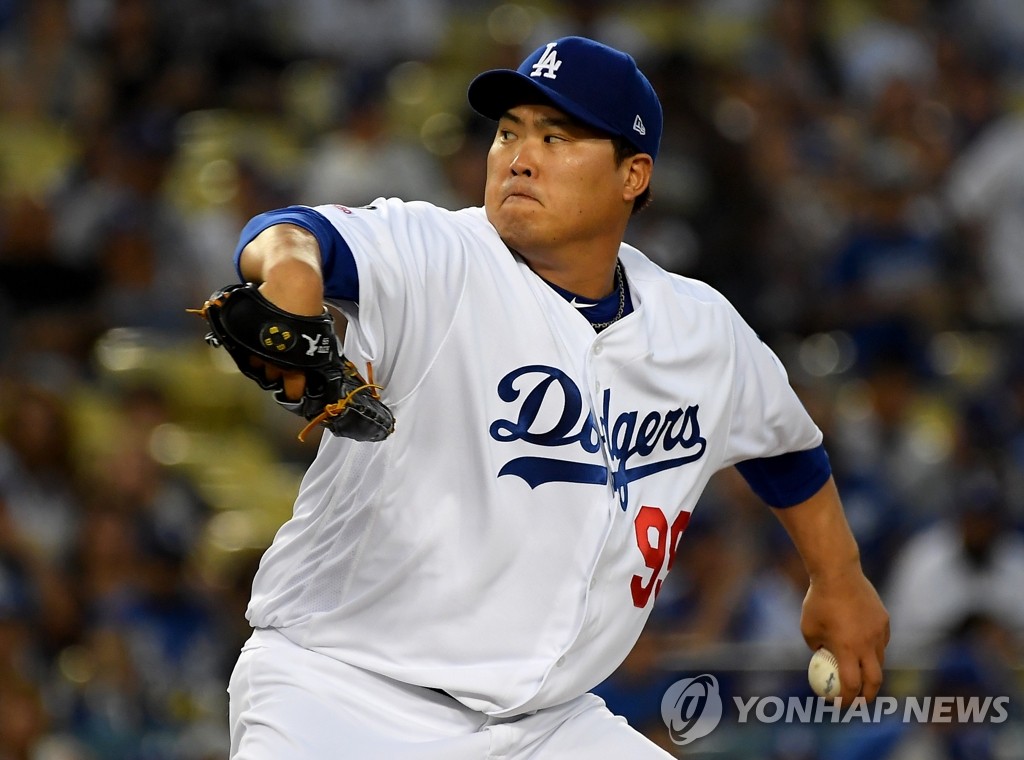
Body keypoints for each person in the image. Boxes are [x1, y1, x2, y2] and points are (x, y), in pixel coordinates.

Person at [222, 36, 889, 759]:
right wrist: (291, 271)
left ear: (633, 174)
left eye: (556, 137)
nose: (519, 156)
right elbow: (295, 234)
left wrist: (839, 577)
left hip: (544, 724)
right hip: (340, 694)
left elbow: (787, 451)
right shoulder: (441, 255)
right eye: (508, 133)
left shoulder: (700, 329)